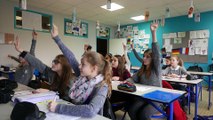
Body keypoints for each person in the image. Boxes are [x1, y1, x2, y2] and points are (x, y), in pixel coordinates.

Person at [48, 48, 112, 117]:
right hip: (74, 116)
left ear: (94, 68)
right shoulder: (82, 77)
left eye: (83, 64)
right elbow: (70, 57)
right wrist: (56, 38)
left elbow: (91, 111)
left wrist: (58, 108)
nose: (79, 66)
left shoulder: (102, 86)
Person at [15, 31, 78, 101]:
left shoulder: (71, 81)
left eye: (56, 62)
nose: (53, 63)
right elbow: (37, 63)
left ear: (64, 66)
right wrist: (20, 50)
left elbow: (67, 100)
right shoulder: (52, 74)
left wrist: (49, 92)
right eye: (53, 61)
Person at [126, 23, 162, 120]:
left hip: (156, 98)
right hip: (143, 96)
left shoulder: (156, 69)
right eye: (144, 56)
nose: (144, 58)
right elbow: (133, 78)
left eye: (147, 57)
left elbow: (157, 55)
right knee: (132, 110)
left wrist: (153, 33)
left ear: (152, 58)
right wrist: (127, 81)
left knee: (144, 114)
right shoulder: (142, 69)